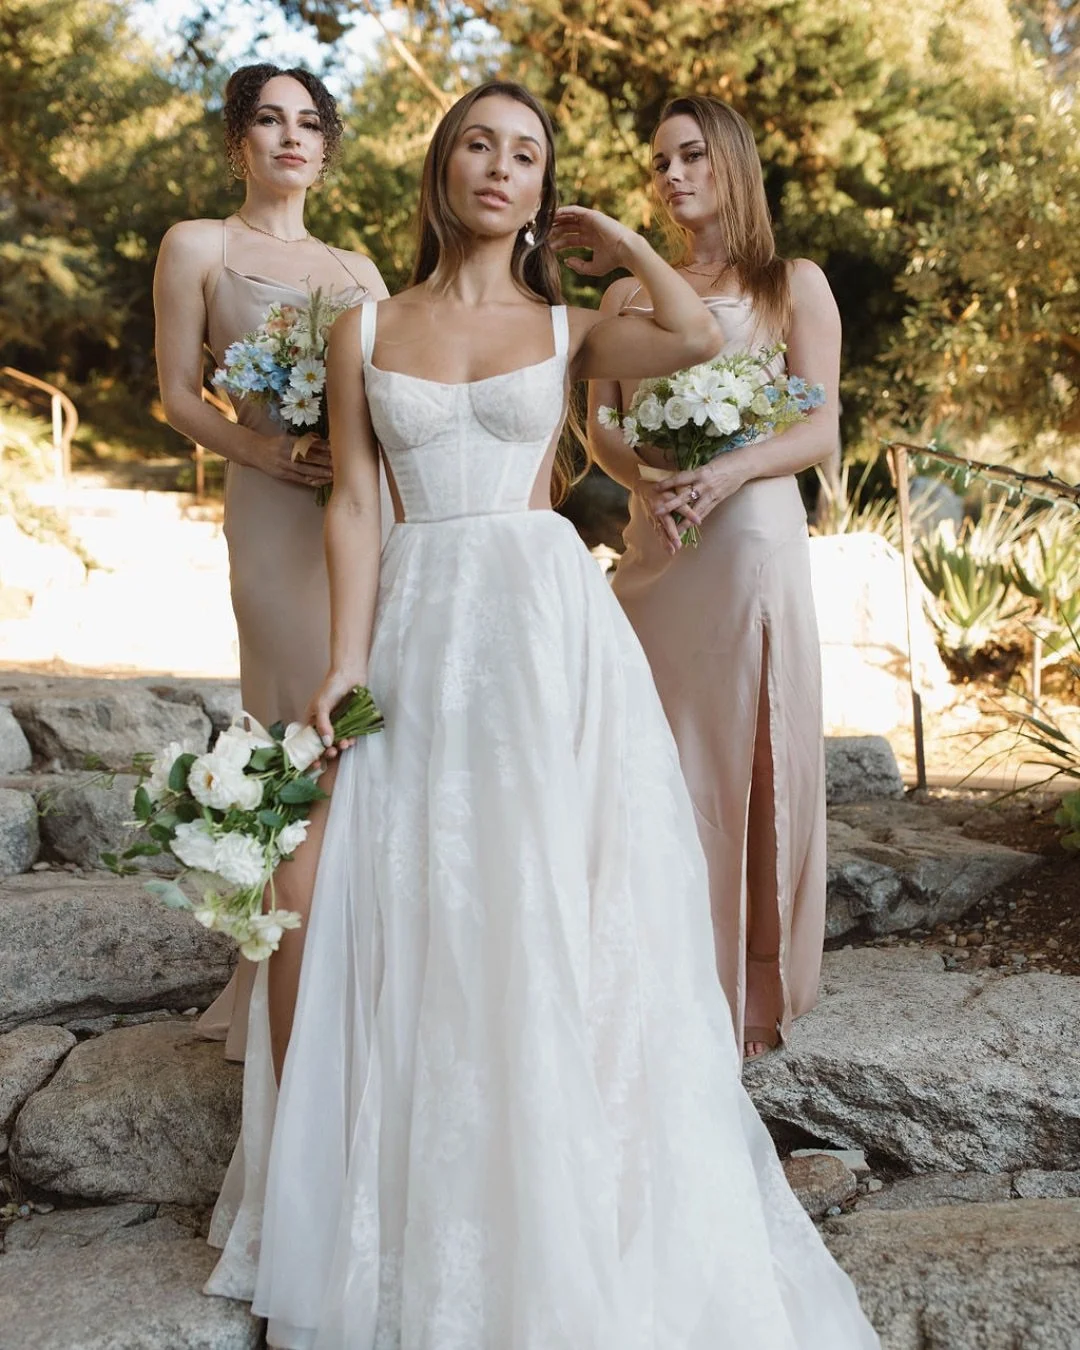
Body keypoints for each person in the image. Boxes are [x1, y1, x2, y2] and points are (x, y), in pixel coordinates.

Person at [204, 81, 878, 1350]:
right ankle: (417, 1188)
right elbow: (354, 504)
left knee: (540, 888)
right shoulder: (363, 326)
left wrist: (619, 245)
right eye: (479, 145)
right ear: (441, 169)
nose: (500, 168)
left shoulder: (571, 323)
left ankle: (562, 1176)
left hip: (540, 628)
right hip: (417, 618)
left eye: (526, 154)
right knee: (417, 888)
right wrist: (344, 656)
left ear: (540, 186)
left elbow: (689, 341)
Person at [589, 95, 840, 1061]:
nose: (672, 175)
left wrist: (724, 471)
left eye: (691, 155)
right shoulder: (625, 298)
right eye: (659, 161)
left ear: (730, 161)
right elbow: (602, 424)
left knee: (748, 757)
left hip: (749, 546)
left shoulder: (791, 285)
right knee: (655, 758)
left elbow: (818, 430)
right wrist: (647, 478)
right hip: (658, 549)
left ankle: (748, 992)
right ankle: (653, 970)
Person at [153, 64, 389, 1061]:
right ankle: (277, 969)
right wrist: (273, 452)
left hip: (360, 511)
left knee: (364, 722)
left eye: (309, 123)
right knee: (295, 721)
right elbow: (178, 395)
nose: (291, 137)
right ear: (237, 141)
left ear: (327, 149)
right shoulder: (197, 246)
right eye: (268, 120)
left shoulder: (360, 269)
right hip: (268, 504)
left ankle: (359, 954)